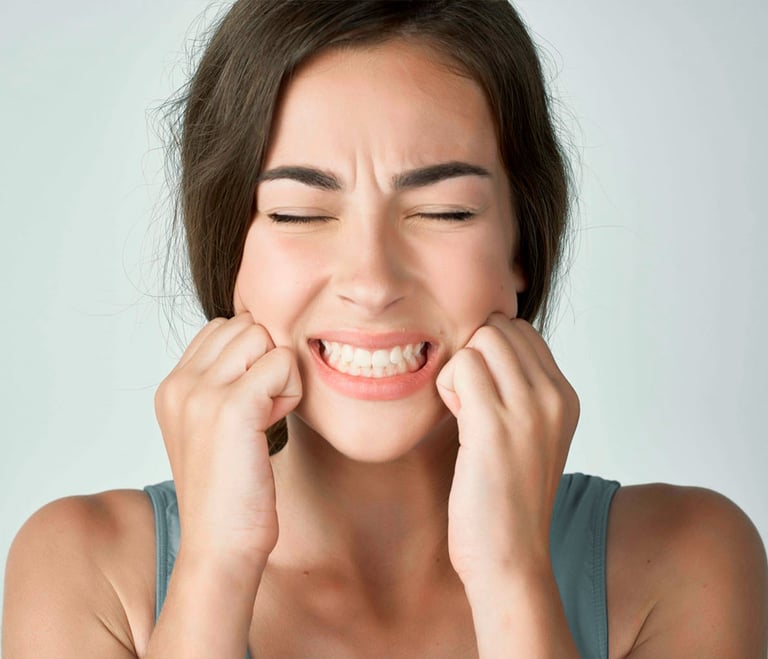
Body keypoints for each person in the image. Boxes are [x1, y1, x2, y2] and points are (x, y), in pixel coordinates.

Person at [3, 1, 767, 657]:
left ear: (521, 247)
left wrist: (511, 575)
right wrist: (212, 569)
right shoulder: (85, 570)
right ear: (229, 257)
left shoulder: (687, 559)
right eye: (300, 214)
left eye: (444, 212)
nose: (371, 282)